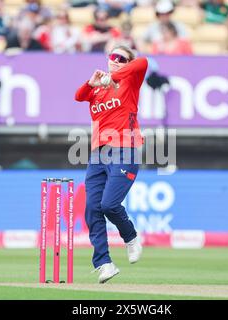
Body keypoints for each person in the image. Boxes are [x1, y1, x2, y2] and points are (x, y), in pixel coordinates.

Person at [74, 45, 146, 283]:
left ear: (127, 63)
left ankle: (131, 237)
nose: (114, 60)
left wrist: (113, 76)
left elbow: (143, 61)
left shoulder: (130, 81)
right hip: (98, 154)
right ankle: (104, 263)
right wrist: (92, 83)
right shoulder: (98, 91)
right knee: (92, 208)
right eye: (111, 57)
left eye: (120, 58)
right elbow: (79, 96)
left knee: (109, 205)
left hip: (125, 148)